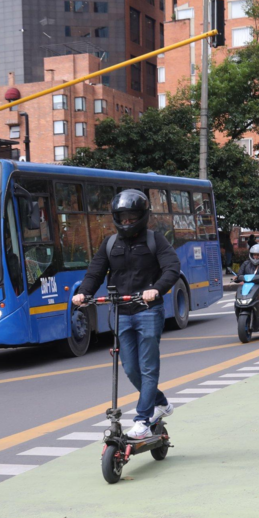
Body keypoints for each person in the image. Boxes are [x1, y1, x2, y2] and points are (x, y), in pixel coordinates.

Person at [72, 189, 182, 440]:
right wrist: (83, 293)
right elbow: (94, 273)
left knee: (148, 368)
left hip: (148, 311)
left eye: (132, 217)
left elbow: (172, 268)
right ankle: (162, 403)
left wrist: (156, 289)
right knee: (131, 368)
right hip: (121, 312)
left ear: (142, 216)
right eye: (123, 217)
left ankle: (142, 420)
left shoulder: (155, 240)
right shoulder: (110, 244)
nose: (127, 221)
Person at [235, 244, 259, 313]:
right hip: (248, 285)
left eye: (258, 255)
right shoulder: (246, 264)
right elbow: (239, 274)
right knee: (238, 293)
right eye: (254, 255)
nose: (256, 257)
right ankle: (238, 310)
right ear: (251, 255)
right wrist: (237, 278)